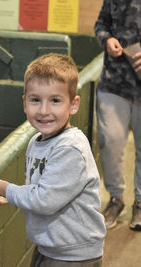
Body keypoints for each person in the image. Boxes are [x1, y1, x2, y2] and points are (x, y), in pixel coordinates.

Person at [0, 53, 106, 266]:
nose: (44, 111)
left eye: (55, 100)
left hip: (74, 255)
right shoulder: (37, 142)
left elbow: (44, 200)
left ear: (73, 105)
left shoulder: (70, 148)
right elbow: (42, 189)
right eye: (35, 100)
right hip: (51, 246)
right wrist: (15, 196)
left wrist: (5, 189)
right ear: (25, 103)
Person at [94, 0, 141, 230]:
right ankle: (116, 199)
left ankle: (140, 203)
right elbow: (101, 24)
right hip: (114, 83)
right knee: (110, 140)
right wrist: (107, 39)